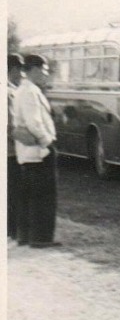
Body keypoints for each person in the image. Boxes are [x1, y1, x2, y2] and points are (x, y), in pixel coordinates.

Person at [13, 54, 61, 248]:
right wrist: (47, 143)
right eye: (44, 70)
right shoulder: (30, 91)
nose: (46, 74)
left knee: (30, 194)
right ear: (34, 69)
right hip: (39, 151)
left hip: (28, 152)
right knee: (45, 195)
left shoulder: (23, 90)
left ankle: (26, 236)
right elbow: (35, 122)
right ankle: (41, 237)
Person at [7, 53, 25, 240]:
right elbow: (11, 125)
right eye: (19, 70)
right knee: (14, 193)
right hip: (11, 152)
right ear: (12, 70)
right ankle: (12, 231)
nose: (21, 74)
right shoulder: (8, 92)